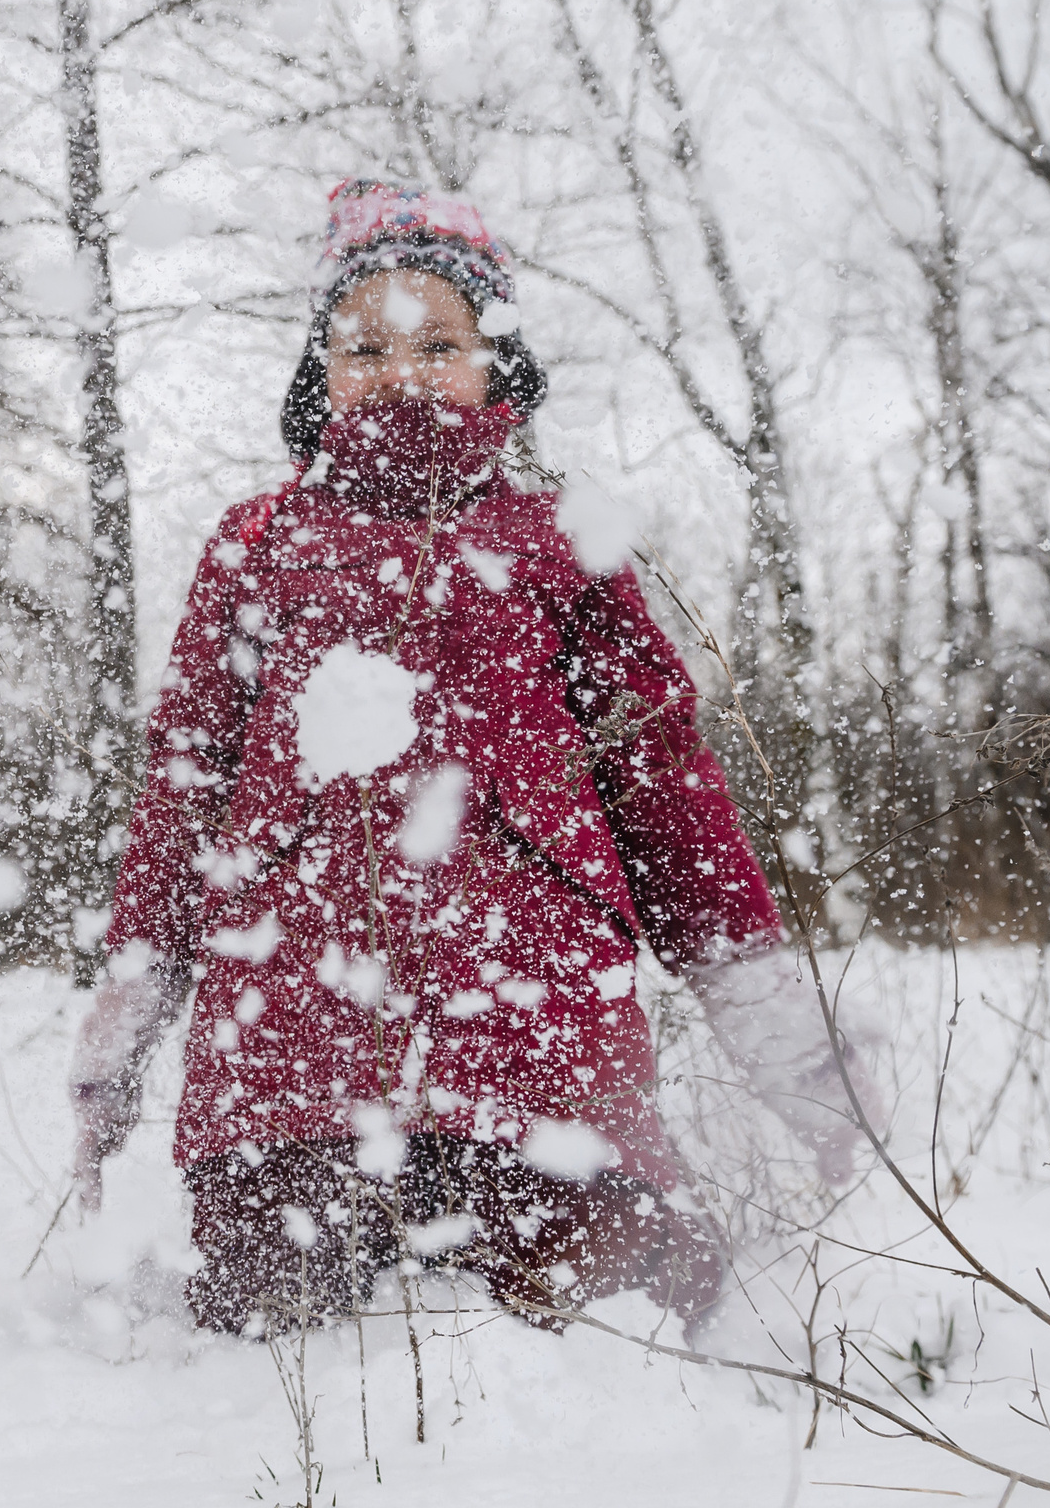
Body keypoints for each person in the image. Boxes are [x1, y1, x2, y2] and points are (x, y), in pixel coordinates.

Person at [67, 178, 877, 1339]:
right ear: (320, 373)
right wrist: (132, 1005)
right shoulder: (257, 546)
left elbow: (666, 791)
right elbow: (184, 788)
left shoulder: (562, 544)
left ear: (499, 362)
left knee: (610, 1316)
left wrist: (766, 1016)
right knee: (270, 1330)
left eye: (438, 341)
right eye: (361, 345)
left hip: (535, 1021)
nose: (398, 371)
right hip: (291, 1034)